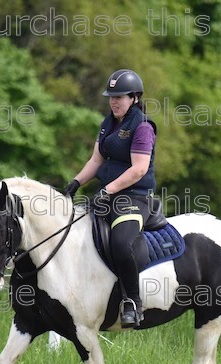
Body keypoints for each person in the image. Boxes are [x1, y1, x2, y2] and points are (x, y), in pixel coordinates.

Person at [62, 69, 157, 328]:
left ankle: (133, 303)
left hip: (134, 199)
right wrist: (75, 183)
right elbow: (96, 160)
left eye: (120, 96)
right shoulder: (107, 124)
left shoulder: (143, 127)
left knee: (120, 242)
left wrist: (107, 190)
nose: (114, 101)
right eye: (111, 96)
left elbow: (138, 169)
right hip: (108, 195)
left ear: (135, 98)